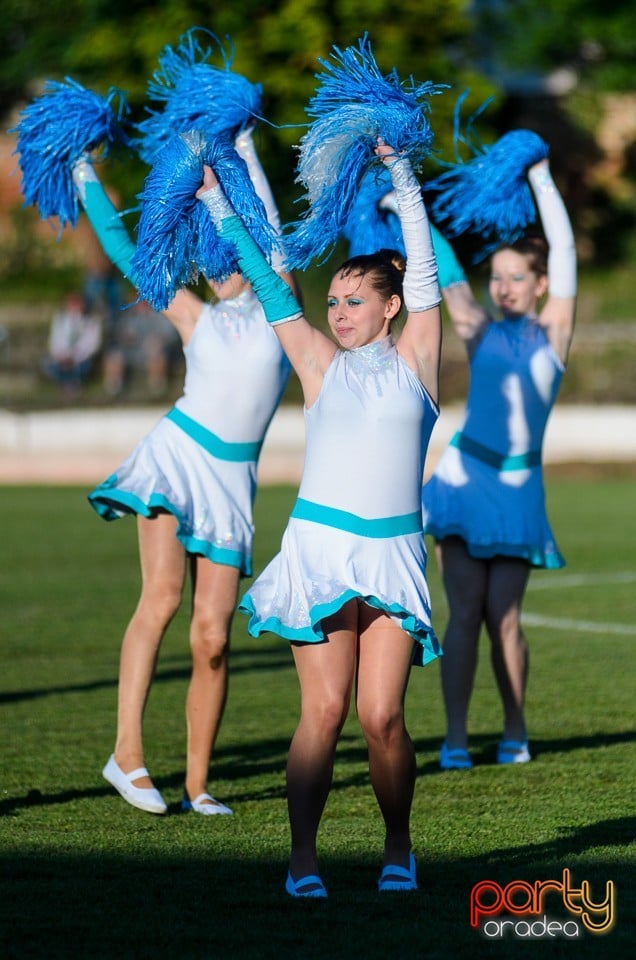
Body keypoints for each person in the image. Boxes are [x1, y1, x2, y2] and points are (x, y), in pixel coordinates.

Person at [196, 139, 442, 896]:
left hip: (394, 555)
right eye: (332, 301)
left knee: (381, 718)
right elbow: (272, 285)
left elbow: (423, 265)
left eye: (354, 300)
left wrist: (401, 170)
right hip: (320, 551)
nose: (337, 312)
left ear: (392, 305)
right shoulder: (318, 364)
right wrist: (214, 202)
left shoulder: (417, 362)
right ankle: (303, 857)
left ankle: (397, 842)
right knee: (326, 709)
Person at [72, 125, 296, 816]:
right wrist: (82, 173)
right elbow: (122, 249)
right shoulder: (196, 315)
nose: (224, 265)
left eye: (234, 253)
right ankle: (128, 754)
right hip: (178, 457)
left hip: (232, 485)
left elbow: (275, 236)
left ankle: (199, 784)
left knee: (213, 637)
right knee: (162, 599)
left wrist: (247, 151)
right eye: (213, 258)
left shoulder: (283, 312)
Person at [421, 157, 577, 770]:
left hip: (516, 490)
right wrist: (401, 200)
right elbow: (447, 269)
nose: (504, 287)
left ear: (541, 284)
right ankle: (455, 736)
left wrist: (541, 176)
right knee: (462, 617)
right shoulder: (478, 329)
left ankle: (516, 727)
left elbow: (564, 249)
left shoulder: (553, 335)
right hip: (462, 480)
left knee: (504, 619)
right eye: (499, 277)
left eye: (518, 278)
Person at [41, 291, 103, 396]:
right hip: (62, 358)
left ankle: (74, 385)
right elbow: (54, 341)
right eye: (71, 303)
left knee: (83, 367)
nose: (74, 306)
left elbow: (92, 345)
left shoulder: (91, 321)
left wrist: (74, 357)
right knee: (48, 365)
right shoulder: (60, 319)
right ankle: (65, 386)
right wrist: (62, 356)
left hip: (81, 359)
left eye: (77, 303)